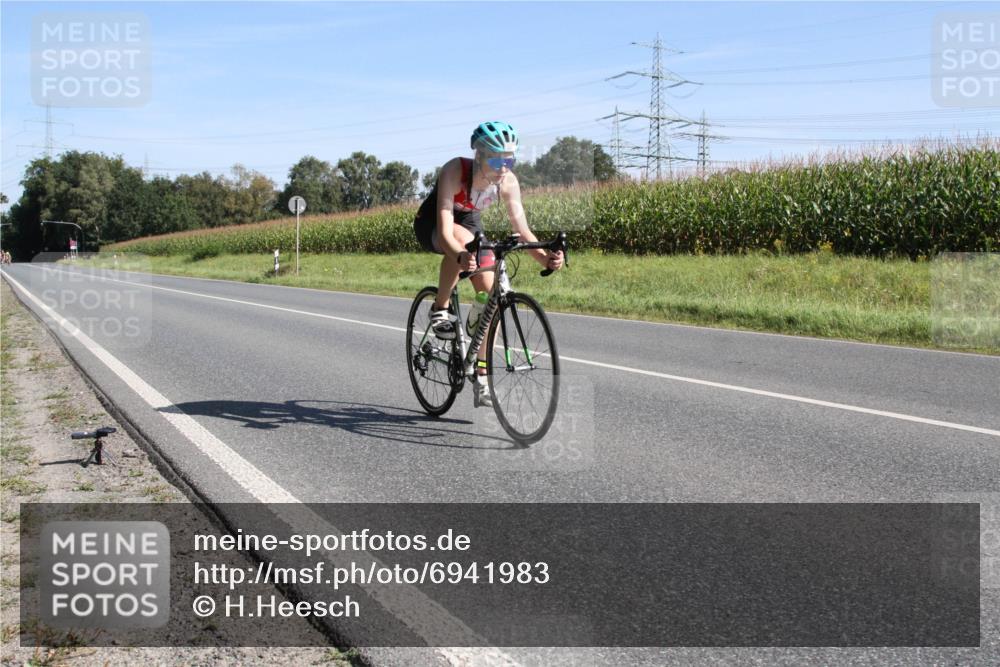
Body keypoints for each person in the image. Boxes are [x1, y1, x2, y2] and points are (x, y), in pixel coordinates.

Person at [413, 121, 564, 408]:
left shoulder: (508, 182)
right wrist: (458, 255)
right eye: (496, 159)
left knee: (491, 295)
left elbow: (522, 231)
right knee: (462, 242)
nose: (503, 167)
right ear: (479, 155)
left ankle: (481, 374)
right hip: (434, 222)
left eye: (509, 159)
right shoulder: (455, 171)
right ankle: (440, 308)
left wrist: (546, 257)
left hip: (469, 222)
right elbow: (446, 232)